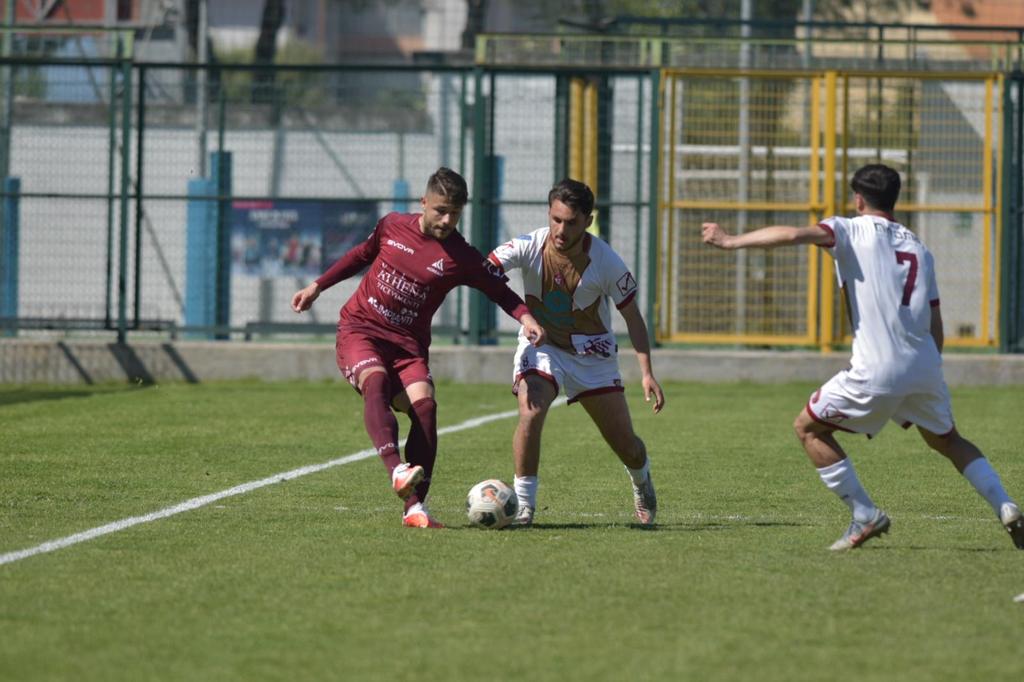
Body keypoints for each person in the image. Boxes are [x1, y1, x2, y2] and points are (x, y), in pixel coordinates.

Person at [701, 163, 1024, 551]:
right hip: (924, 364)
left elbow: (792, 234)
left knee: (808, 428)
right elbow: (935, 323)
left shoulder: (848, 229)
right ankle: (1005, 505)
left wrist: (730, 241)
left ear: (858, 199)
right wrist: (924, 373)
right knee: (950, 440)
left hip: (877, 367)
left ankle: (865, 514)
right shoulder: (919, 248)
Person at [292, 168, 546, 529]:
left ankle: (414, 509)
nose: (447, 220)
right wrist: (317, 286)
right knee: (376, 381)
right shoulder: (392, 226)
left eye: (455, 214)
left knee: (425, 408)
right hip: (360, 330)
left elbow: (499, 291)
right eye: (440, 210)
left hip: (408, 348)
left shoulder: (461, 256)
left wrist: (526, 317)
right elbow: (360, 255)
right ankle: (397, 470)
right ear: (424, 202)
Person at [486, 178, 665, 527]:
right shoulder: (529, 245)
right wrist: (520, 314)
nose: (560, 230)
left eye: (570, 222)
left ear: (587, 221)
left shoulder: (606, 261)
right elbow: (483, 270)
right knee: (531, 411)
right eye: (555, 219)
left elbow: (633, 316)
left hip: (592, 356)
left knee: (626, 445)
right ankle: (524, 506)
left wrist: (646, 372)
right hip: (543, 347)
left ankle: (641, 480)